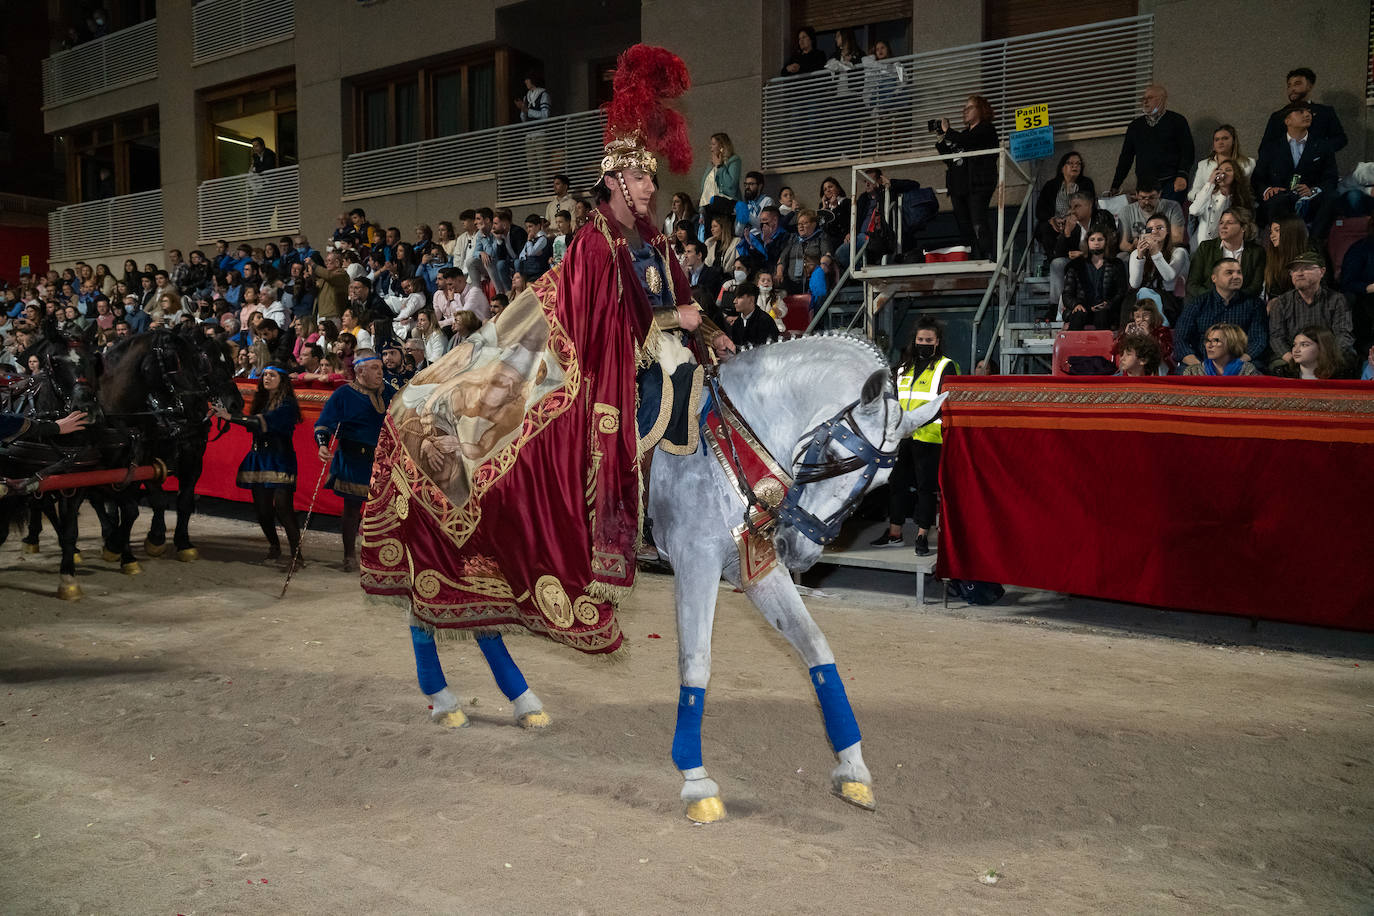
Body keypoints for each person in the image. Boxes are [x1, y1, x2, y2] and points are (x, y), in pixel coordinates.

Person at [360, 43, 708, 657]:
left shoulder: (634, 238)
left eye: (654, 174)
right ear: (617, 179)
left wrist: (703, 326)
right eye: (644, 176)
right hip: (578, 370)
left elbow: (642, 305)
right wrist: (672, 317)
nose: (654, 185)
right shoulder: (598, 242)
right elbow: (602, 320)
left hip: (634, 357)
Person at [873, 315, 956, 556]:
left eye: (929, 339)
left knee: (925, 489)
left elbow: (945, 402)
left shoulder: (946, 366)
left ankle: (921, 535)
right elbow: (893, 399)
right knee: (896, 485)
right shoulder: (902, 366)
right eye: (920, 339)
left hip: (929, 437)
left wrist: (917, 423)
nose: (924, 343)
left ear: (937, 341)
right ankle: (894, 533)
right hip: (902, 437)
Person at [213, 367, 303, 565]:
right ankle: (274, 546)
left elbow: (264, 422)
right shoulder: (261, 401)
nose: (267, 378)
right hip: (259, 457)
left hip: (280, 458)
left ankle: (297, 554)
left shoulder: (287, 405)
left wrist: (230, 417)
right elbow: (252, 421)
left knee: (282, 506)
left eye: (273, 375)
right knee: (262, 509)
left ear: (283, 380)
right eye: (265, 375)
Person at [316, 349, 391, 572]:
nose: (381, 371)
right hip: (353, 458)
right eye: (375, 367)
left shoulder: (391, 393)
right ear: (360, 371)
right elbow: (324, 423)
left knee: (386, 511)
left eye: (380, 367)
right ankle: (349, 555)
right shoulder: (343, 395)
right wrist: (322, 444)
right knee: (352, 508)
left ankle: (384, 555)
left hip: (384, 461)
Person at [1251, 102, 1339, 232]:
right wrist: (1268, 190)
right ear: (1287, 120)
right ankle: (1278, 244)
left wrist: (1313, 190)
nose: (1307, 114)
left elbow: (1331, 177)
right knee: (1275, 201)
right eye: (1300, 112)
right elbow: (1257, 178)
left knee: (1332, 197)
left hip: (1310, 197)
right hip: (1281, 197)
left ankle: (1315, 244)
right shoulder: (1271, 147)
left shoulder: (1322, 146)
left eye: (1309, 112)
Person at [935, 95, 999, 260]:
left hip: (978, 183)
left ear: (981, 109)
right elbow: (951, 159)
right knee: (964, 226)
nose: (965, 112)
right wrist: (941, 139)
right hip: (959, 185)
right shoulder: (964, 134)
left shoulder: (986, 129)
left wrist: (949, 131)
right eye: (964, 109)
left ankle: (986, 257)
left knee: (978, 221)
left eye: (969, 108)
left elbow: (967, 141)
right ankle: (972, 257)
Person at [1268, 251, 1355, 372]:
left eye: (1306, 268)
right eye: (1295, 270)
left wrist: (1326, 357)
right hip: (1293, 355)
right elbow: (1276, 337)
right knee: (1278, 367)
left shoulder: (1337, 300)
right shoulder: (1282, 303)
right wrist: (1292, 358)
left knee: (1347, 361)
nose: (1299, 273)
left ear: (1322, 272)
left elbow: (1343, 334)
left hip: (1329, 354)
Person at [1108, 84, 1194, 206]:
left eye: (1150, 98)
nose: (1145, 102)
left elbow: (1188, 151)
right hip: (1145, 185)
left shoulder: (1177, 121)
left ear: (1162, 99)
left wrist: (1182, 175)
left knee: (1169, 218)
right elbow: (1126, 158)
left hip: (1171, 182)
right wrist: (1115, 184)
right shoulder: (1135, 127)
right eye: (1143, 99)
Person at [1175, 259, 1267, 368]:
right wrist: (1200, 366)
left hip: (1242, 362)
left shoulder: (1254, 304)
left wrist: (1238, 363)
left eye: (1239, 272)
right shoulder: (1197, 303)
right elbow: (1180, 339)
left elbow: (1259, 340)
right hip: (1201, 362)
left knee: (1257, 372)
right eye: (1229, 272)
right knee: (1184, 374)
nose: (1236, 276)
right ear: (1214, 278)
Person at [1260, 68, 1347, 153]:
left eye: (1297, 84)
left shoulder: (1325, 112)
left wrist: (1319, 149)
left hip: (1318, 165)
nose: (1292, 89)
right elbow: (1265, 147)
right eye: (1289, 85)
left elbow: (1340, 139)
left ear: (1309, 86)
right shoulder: (1277, 116)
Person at [1188, 209, 1264, 300]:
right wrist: (1216, 297)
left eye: (1229, 223)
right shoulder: (1206, 248)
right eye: (1221, 223)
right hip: (1209, 303)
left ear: (1243, 228)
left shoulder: (1257, 252)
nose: (1223, 226)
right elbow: (1192, 284)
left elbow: (1255, 287)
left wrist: (1233, 298)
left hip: (1241, 305)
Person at [1127, 214, 1189, 323]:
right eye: (1150, 229)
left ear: (1168, 231)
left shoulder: (1179, 252)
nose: (1154, 232)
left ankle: (1161, 328)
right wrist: (1140, 257)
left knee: (1145, 292)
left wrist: (1155, 253)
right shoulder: (1135, 254)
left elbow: (1169, 277)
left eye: (1159, 228)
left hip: (1167, 300)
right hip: (1140, 299)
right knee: (1142, 292)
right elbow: (1134, 284)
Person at [1063, 229, 1127, 330]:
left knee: (1102, 314)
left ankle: (1104, 346)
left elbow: (1121, 291)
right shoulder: (1075, 265)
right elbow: (1067, 294)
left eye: (1100, 239)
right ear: (1087, 243)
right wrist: (1076, 304)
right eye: (1092, 240)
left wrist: (1109, 304)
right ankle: (1074, 345)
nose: (1096, 243)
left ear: (1106, 242)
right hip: (1083, 308)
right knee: (1078, 314)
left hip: (1106, 310)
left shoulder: (1116, 264)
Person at [1035, 151, 1095, 258]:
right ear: (1062, 168)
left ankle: (1073, 255)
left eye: (1078, 164)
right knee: (1044, 227)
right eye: (1070, 163)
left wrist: (1072, 218)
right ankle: (1053, 258)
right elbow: (1040, 210)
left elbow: (1089, 206)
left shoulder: (1086, 183)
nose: (1074, 166)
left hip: (1077, 221)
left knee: (1075, 228)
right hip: (1057, 223)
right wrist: (1051, 220)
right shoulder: (1051, 186)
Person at [1188, 158, 1254, 249]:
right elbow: (1194, 210)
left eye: (1228, 170)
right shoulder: (1207, 194)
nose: (1223, 173)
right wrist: (1210, 182)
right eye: (1220, 170)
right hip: (1200, 245)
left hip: (1226, 247)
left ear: (1236, 175)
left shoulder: (1240, 198)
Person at [1186, 125, 1255, 209]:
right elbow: (1192, 194)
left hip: (1238, 209)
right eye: (1217, 139)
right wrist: (1207, 197)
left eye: (1225, 138)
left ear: (1233, 141)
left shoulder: (1248, 163)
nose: (1220, 142)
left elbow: (1251, 192)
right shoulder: (1203, 165)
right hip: (1209, 209)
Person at [775, 209, 832, 294]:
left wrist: (822, 267)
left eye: (805, 223)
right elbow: (782, 258)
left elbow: (827, 254)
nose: (801, 226)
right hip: (792, 283)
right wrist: (779, 273)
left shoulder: (821, 237)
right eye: (799, 224)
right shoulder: (793, 239)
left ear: (813, 224)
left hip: (812, 281)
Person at [1118, 186, 1186, 252]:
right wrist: (1133, 247)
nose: (1147, 202)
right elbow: (1123, 244)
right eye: (1143, 198)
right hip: (1139, 251)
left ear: (1159, 194)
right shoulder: (1126, 211)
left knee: (1180, 252)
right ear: (1136, 195)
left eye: (1151, 198)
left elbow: (1177, 239)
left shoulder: (1172, 207)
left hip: (1166, 250)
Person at [1183, 323, 1261, 376]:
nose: (1209, 345)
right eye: (1208, 341)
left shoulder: (1247, 371)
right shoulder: (1192, 372)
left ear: (1231, 343)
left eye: (1216, 341)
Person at [1261, 216, 1309, 302]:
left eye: (1277, 230)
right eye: (1271, 232)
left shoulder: (1310, 259)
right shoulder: (1273, 257)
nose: (1272, 236)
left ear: (1291, 232)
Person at [726, 282, 779, 348]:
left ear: (751, 299)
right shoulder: (737, 323)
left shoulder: (765, 321)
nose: (734, 301)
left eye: (739, 297)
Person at [699, 132, 741, 207]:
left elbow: (731, 186)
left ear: (722, 146)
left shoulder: (734, 160)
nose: (710, 147)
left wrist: (720, 167)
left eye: (713, 144)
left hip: (726, 206)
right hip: (708, 206)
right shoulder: (711, 164)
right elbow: (704, 188)